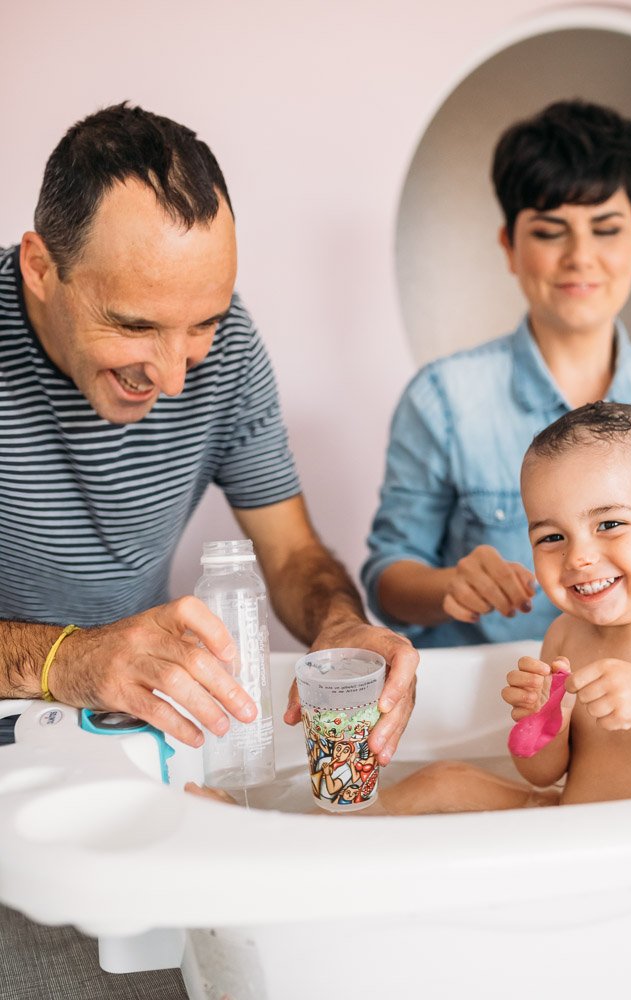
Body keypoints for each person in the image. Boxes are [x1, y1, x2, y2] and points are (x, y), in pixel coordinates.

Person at [0, 103, 417, 766]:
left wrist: (340, 625)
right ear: (41, 268)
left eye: (201, 324)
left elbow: (291, 557)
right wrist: (66, 658)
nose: (172, 380)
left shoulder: (230, 352)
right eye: (135, 326)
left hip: (123, 733)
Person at [362, 99, 631, 648]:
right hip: (489, 692)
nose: (580, 257)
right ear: (510, 246)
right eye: (549, 232)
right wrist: (452, 584)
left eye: (605, 229)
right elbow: (388, 577)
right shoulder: (442, 398)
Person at [376, 403, 631, 815]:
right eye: (551, 537)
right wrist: (545, 722)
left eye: (609, 524)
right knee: (443, 782)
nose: (578, 557)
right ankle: (328, 842)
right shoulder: (566, 635)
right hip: (573, 839)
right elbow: (542, 774)